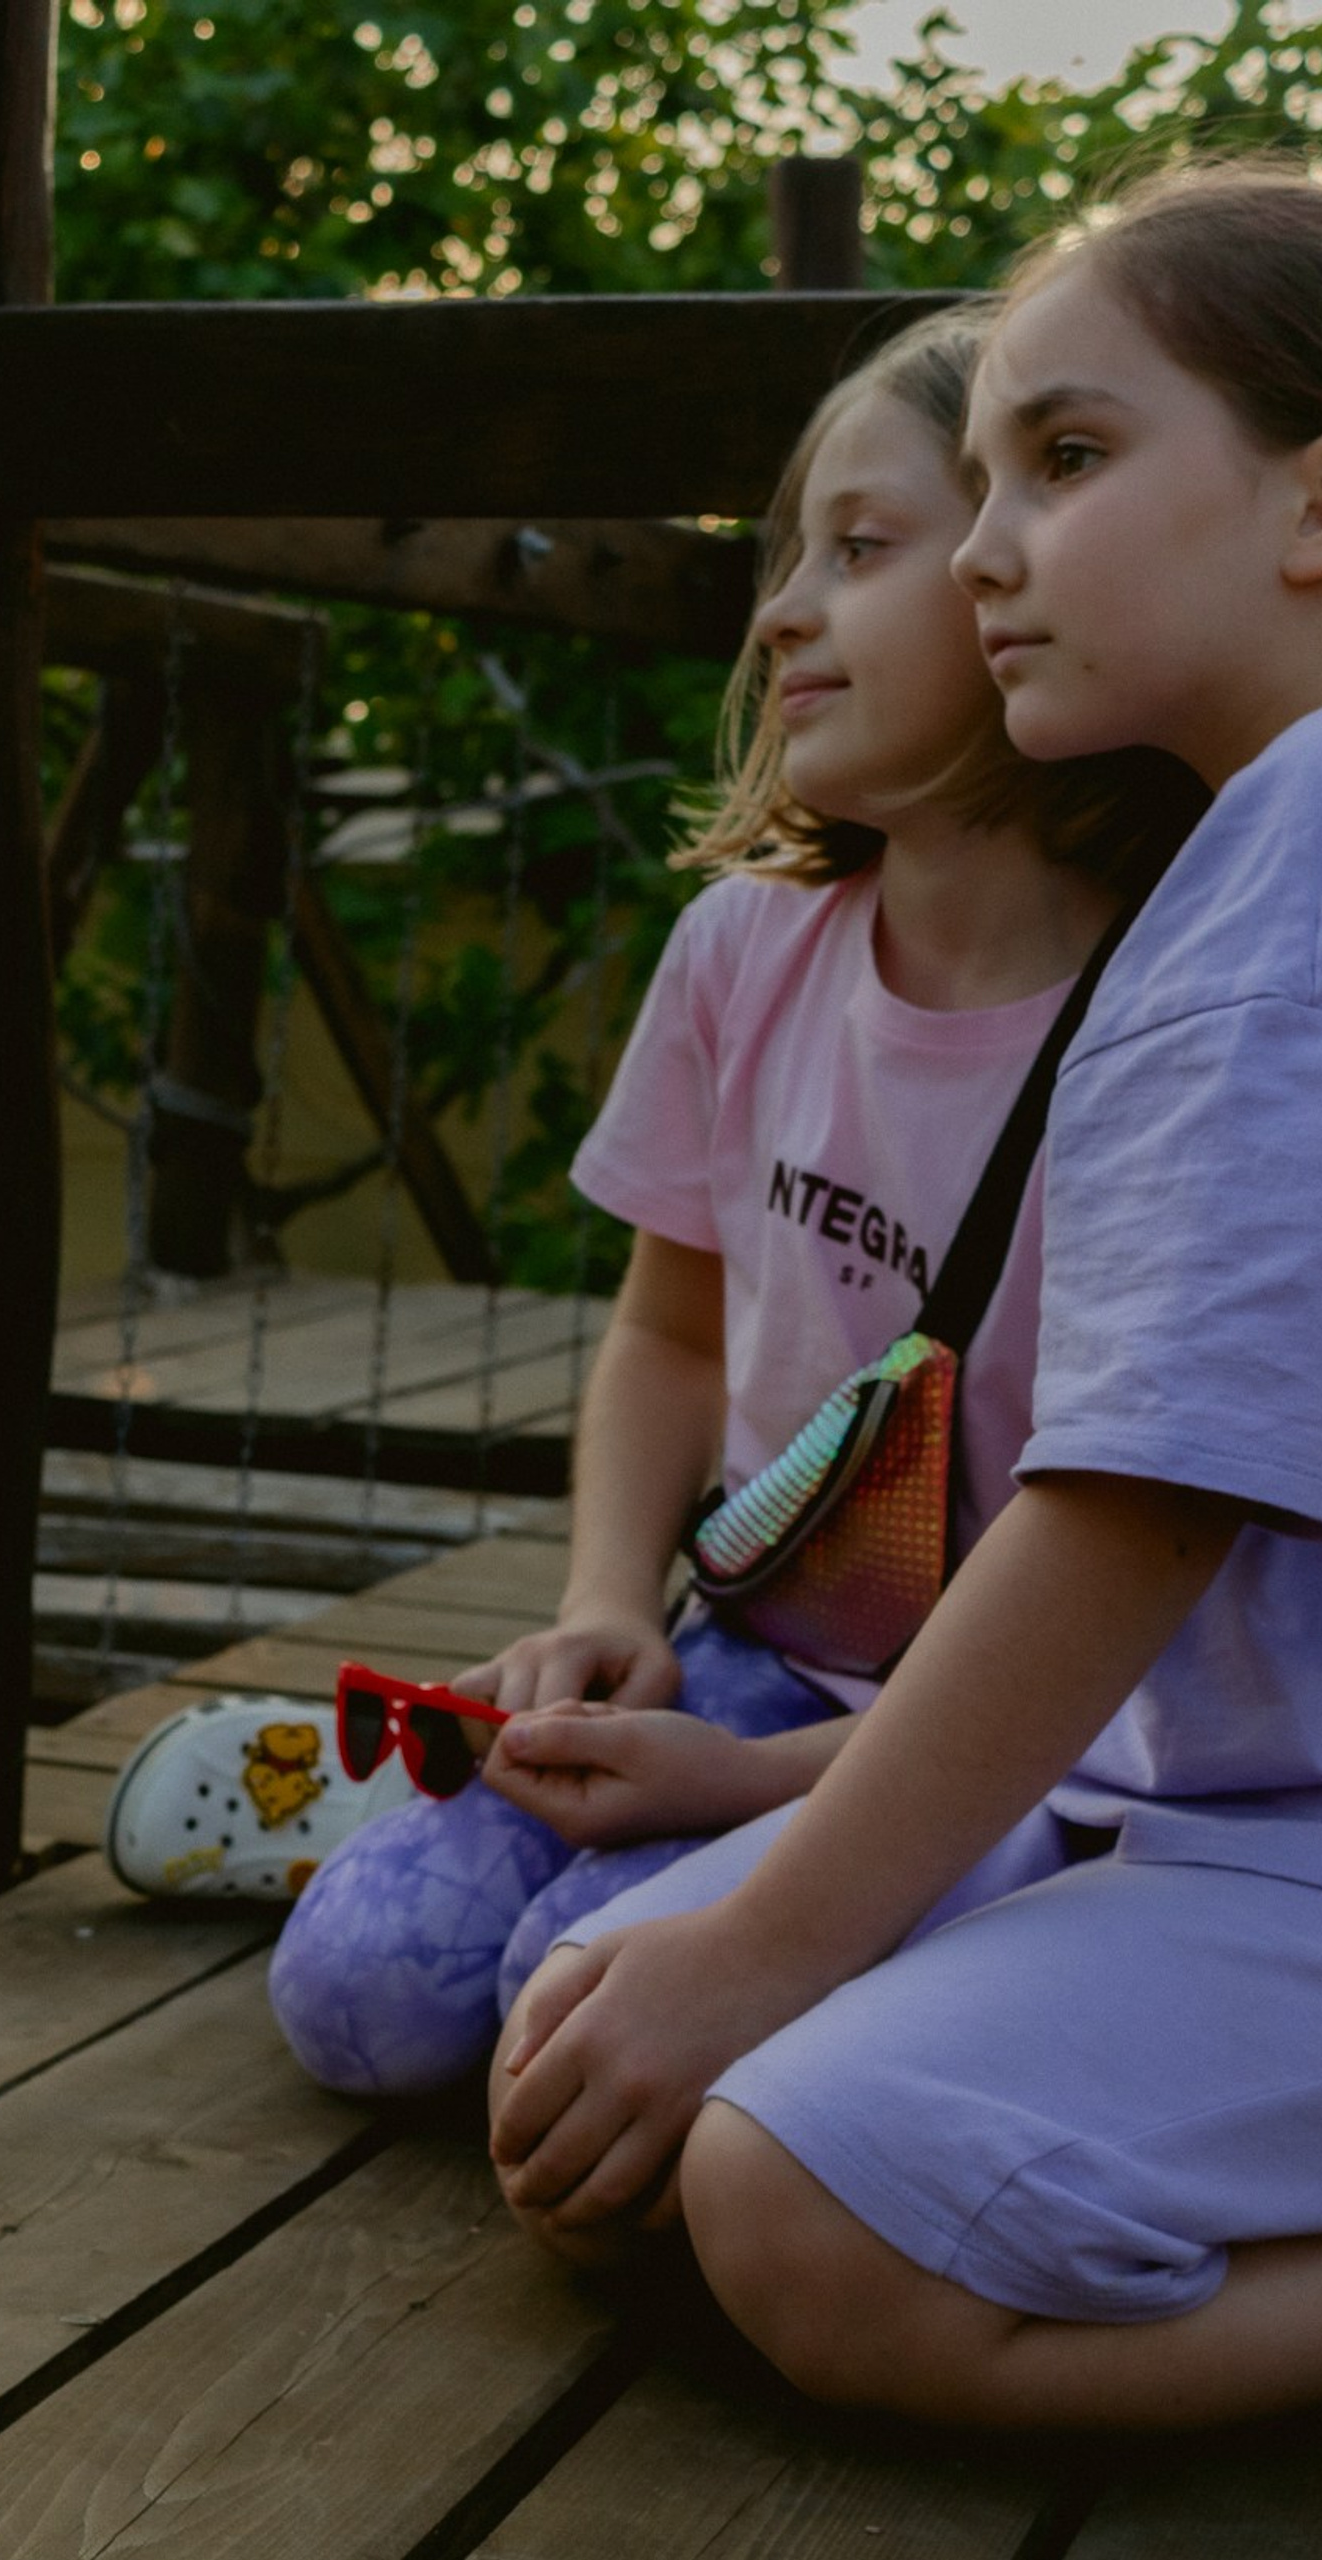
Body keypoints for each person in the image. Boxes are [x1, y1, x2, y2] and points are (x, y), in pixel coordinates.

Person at [489, 160, 1322, 2434]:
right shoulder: (1250, 865)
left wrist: (763, 1946)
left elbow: (1131, 1509)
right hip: (1204, 1808)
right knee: (617, 2066)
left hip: (1262, 1837)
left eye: (1065, 459)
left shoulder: (1269, 911)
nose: (979, 554)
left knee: (789, 2203)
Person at [250, 305, 1203, 2100]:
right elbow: (670, 1332)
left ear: (1018, 578)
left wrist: (757, 1791)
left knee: (559, 2009)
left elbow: (1143, 1612)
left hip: (1049, 1745)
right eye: (788, 559)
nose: (777, 615)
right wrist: (611, 1602)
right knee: (361, 1998)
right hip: (758, 1648)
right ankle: (362, 1821)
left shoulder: (1183, 1017)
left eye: (859, 550)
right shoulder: (743, 955)